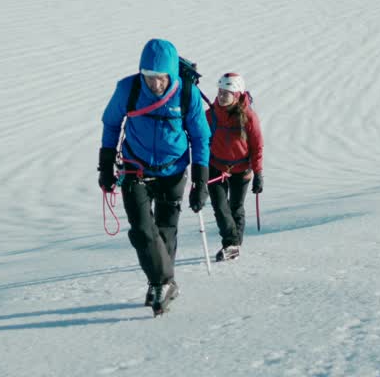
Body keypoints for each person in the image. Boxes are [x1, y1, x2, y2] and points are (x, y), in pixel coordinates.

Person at [99, 38, 211, 315]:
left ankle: (159, 283)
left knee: (165, 231)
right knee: (141, 230)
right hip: (134, 169)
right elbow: (111, 123)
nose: (155, 84)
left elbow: (200, 137)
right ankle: (164, 282)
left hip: (172, 172)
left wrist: (200, 181)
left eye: (161, 78)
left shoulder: (186, 93)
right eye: (149, 77)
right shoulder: (129, 88)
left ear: (170, 73)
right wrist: (104, 165)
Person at [205, 72, 264, 262]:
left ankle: (234, 246)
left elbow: (257, 146)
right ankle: (231, 243)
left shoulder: (248, 117)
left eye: (226, 93)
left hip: (241, 170)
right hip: (215, 168)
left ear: (237, 95)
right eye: (220, 92)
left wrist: (258, 173)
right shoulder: (210, 115)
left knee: (235, 208)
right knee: (221, 208)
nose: (221, 96)